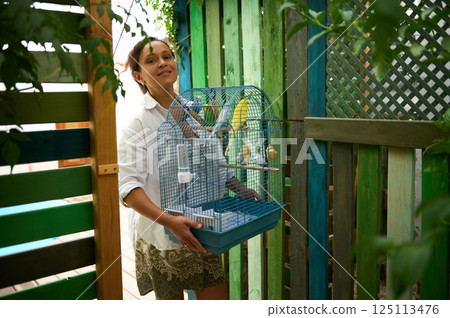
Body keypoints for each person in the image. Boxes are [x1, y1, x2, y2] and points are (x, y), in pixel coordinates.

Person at [118, 37, 260, 300]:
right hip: (161, 233)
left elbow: (213, 163)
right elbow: (128, 189)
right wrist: (169, 221)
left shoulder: (193, 112)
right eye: (151, 60)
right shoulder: (138, 122)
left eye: (167, 56)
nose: (162, 63)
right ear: (138, 76)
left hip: (200, 226)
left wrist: (241, 190)